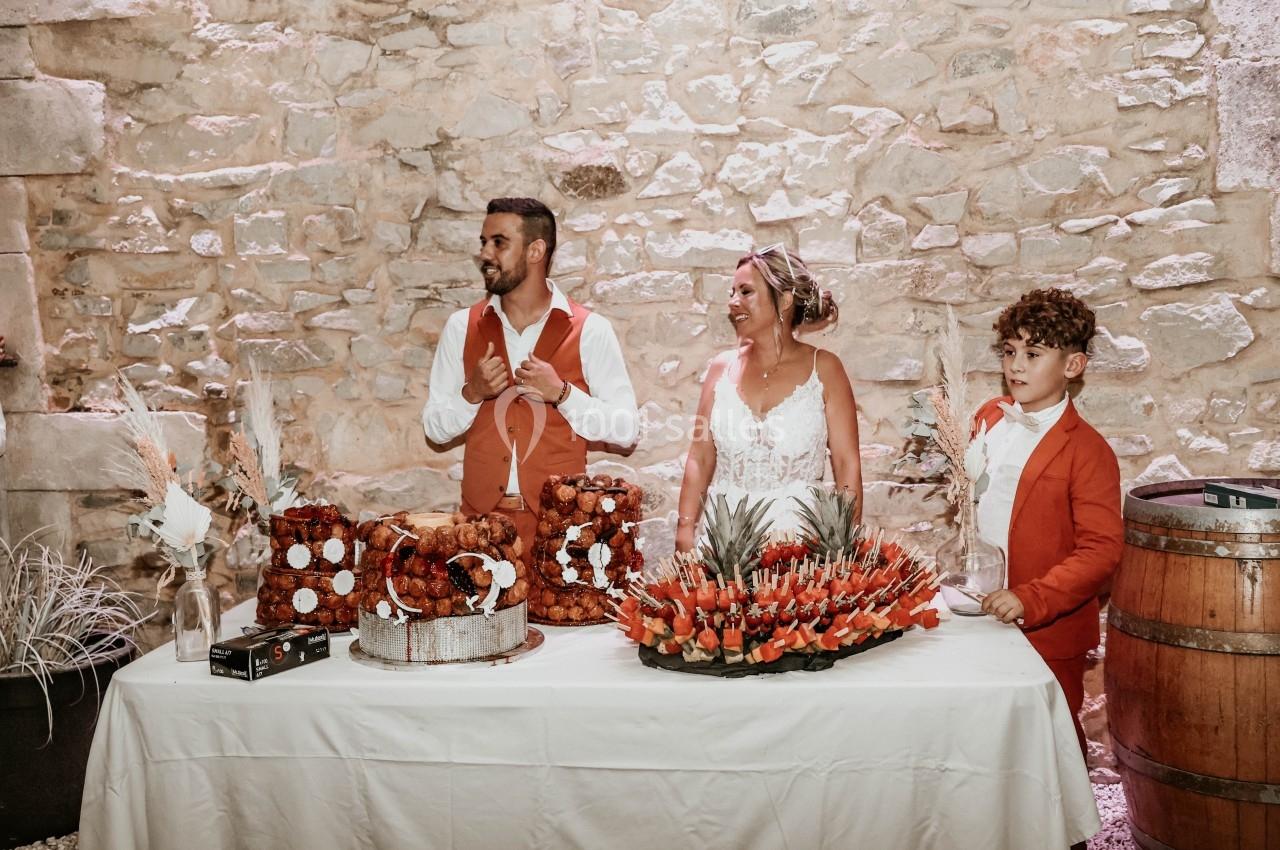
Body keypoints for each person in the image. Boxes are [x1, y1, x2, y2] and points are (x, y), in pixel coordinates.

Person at [422, 198, 639, 555]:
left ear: (536, 250)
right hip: (479, 538)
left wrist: (563, 394)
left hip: (562, 539)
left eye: (499, 242)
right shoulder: (461, 327)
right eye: (483, 242)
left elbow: (627, 429)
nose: (486, 254)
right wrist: (471, 393)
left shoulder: (591, 330)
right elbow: (434, 427)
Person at [973, 288, 1124, 758]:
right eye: (1010, 351)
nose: (1015, 366)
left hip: (1045, 627)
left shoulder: (1088, 450)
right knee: (986, 737)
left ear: (1073, 366)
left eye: (1033, 354)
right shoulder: (987, 418)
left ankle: (1066, 834)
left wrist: (1029, 598)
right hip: (977, 613)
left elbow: (1102, 551)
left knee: (1049, 742)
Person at [675, 246, 862, 552]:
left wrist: (846, 544)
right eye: (732, 291)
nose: (733, 302)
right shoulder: (720, 369)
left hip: (801, 549)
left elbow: (846, 463)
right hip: (724, 547)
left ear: (785, 300)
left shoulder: (825, 369)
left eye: (746, 291)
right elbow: (700, 456)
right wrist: (685, 529)